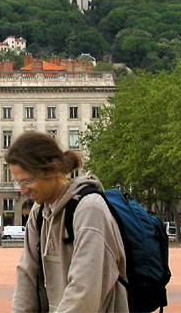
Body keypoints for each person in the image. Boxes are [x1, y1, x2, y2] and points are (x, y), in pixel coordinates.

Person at [7, 132, 127, 312]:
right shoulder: (39, 213)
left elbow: (84, 290)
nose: (23, 190)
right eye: (18, 183)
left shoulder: (89, 209)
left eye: (27, 181)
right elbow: (27, 276)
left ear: (52, 169)